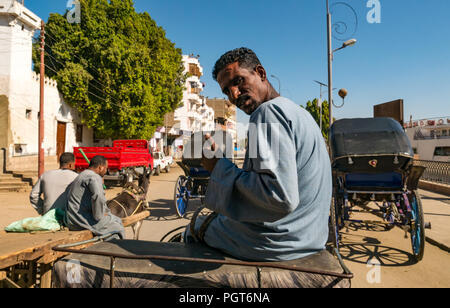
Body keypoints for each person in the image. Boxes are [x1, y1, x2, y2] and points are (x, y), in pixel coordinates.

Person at [186, 47, 332, 262]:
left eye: (238, 81)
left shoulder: (267, 113)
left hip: (276, 242)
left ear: (261, 73)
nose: (234, 94)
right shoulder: (300, 114)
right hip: (310, 238)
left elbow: (279, 197)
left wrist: (217, 166)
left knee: (194, 228)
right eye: (226, 90)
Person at [64, 155, 125, 239]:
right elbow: (98, 196)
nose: (106, 171)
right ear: (100, 167)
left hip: (72, 220)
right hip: (81, 221)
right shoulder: (94, 177)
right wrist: (100, 215)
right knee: (118, 225)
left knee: (112, 219)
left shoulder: (82, 174)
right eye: (106, 168)